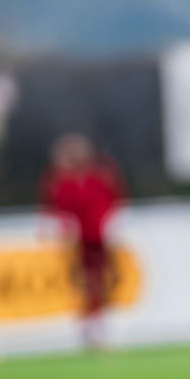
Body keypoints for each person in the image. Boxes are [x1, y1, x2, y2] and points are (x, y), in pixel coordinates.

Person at [39, 132, 126, 346]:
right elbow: (55, 209)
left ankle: (99, 322)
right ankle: (88, 323)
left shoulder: (101, 175)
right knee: (83, 281)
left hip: (100, 236)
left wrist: (112, 227)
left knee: (106, 279)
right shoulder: (58, 181)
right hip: (76, 241)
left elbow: (115, 201)